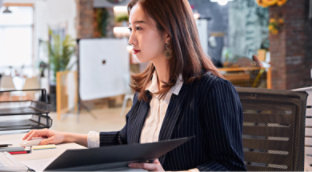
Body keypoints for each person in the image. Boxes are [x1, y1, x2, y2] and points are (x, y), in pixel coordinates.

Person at [23, 0, 246, 171]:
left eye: (139, 28)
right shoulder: (146, 91)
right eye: (130, 29)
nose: (131, 40)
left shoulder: (213, 91)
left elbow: (230, 166)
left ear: (168, 33)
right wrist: (68, 137)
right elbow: (125, 140)